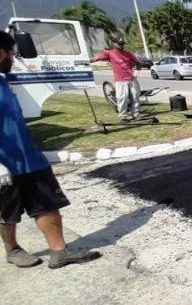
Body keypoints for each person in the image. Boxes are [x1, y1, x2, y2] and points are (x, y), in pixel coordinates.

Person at [0, 31, 101, 269]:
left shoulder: (2, 81)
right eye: (11, 53)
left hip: (30, 159)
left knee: (47, 204)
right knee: (7, 212)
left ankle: (59, 252)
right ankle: (12, 249)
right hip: (4, 163)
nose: (14, 58)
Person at [90, 35, 141, 122]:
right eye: (119, 44)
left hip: (131, 78)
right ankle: (123, 116)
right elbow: (98, 57)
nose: (121, 45)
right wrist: (91, 60)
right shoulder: (110, 53)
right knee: (122, 98)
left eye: (122, 44)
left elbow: (137, 62)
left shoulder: (128, 54)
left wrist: (138, 65)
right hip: (120, 80)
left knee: (136, 96)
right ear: (114, 44)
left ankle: (136, 114)